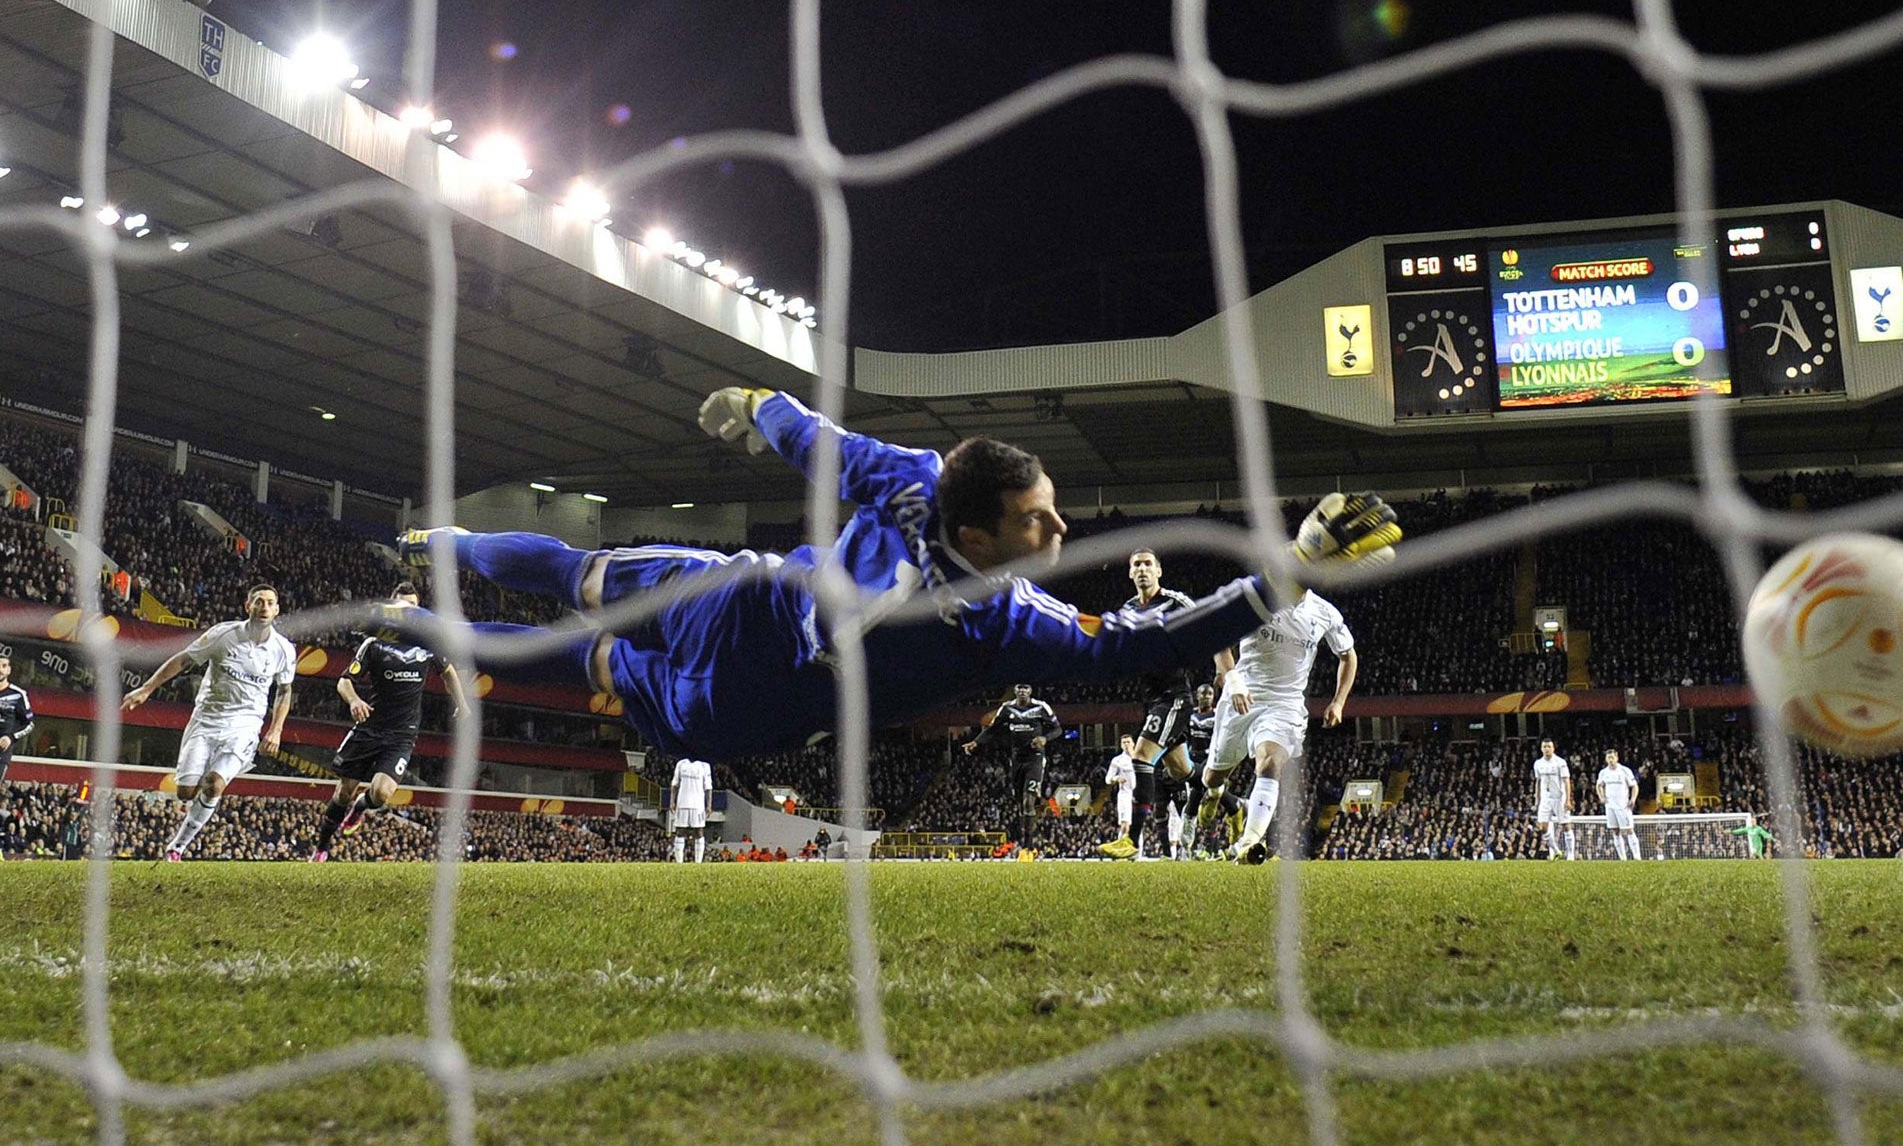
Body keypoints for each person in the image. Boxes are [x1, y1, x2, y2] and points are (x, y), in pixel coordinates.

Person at [404, 388, 1400, 762]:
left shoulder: (1002, 605)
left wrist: (1290, 572)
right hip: (745, 601)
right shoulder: (992, 601)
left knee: (578, 654)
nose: (1060, 526)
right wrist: (765, 406)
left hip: (743, 700)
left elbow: (1149, 639)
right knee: (578, 577)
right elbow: (824, 447)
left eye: (1051, 505)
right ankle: (434, 551)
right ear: (974, 529)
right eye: (1033, 518)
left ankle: (410, 622)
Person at [121, 585, 295, 861]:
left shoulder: (283, 650)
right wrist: (146, 689)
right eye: (258, 601)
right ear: (247, 605)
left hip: (246, 725)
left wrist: (276, 730)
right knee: (185, 793)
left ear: (276, 610)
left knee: (214, 784)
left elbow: (285, 691)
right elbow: (183, 660)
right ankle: (198, 798)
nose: (264, 607)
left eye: (270, 603)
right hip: (206, 719)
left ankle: (176, 848)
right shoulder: (222, 635)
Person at [1194, 587, 1358, 865]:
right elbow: (1218, 638)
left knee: (1271, 762)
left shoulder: (1324, 611)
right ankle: (1215, 793)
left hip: (1285, 705)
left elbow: (1348, 656)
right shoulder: (1253, 600)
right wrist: (1233, 682)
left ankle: (1249, 842)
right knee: (1212, 777)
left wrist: (1339, 702)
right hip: (1241, 697)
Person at [314, 584, 469, 862]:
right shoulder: (374, 643)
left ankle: (362, 807)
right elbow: (344, 681)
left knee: (382, 793)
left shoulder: (428, 643)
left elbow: (448, 673)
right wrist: (354, 701)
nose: (408, 612)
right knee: (343, 792)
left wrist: (462, 703)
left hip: (402, 734)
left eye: (413, 608)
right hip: (369, 728)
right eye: (402, 607)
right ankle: (322, 846)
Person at [1098, 549, 1202, 861]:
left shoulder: (1176, 601)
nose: (1142, 569)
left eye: (1147, 564)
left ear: (1159, 571)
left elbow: (1211, 628)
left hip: (1175, 697)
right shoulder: (1127, 610)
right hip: (1152, 698)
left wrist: (1228, 674)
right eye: (1136, 565)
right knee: (1182, 770)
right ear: (1130, 573)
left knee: (1141, 757)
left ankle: (1131, 840)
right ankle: (1236, 806)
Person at [961, 682, 1060, 851]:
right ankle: (1026, 841)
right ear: (1015, 692)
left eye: (1025, 689)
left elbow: (1057, 729)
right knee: (1022, 804)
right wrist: (976, 742)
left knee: (1029, 800)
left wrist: (1044, 739)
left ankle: (1028, 847)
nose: (1022, 692)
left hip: (1035, 758)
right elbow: (992, 729)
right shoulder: (1006, 709)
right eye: (1019, 689)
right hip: (1016, 759)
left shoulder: (1041, 707)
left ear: (1030, 691)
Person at [1175, 681, 1223, 857]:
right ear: (1197, 696)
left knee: (1197, 798)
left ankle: (1188, 844)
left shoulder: (1218, 715)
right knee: (1202, 803)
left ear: (1213, 696)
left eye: (1209, 694)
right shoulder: (1191, 715)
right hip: (1193, 759)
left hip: (1210, 760)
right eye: (1203, 694)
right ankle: (1212, 850)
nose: (1206, 697)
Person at [1595, 747, 1641, 861]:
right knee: (1615, 831)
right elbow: (1598, 785)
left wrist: (1633, 799)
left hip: (1623, 806)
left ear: (1617, 758)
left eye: (1612, 757)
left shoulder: (1624, 770)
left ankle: (1637, 857)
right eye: (1608, 758)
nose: (1610, 760)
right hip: (1610, 806)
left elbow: (1634, 786)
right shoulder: (1603, 772)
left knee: (1629, 830)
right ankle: (1622, 858)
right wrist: (1601, 797)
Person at [1532, 738, 1573, 860]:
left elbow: (1566, 781)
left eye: (1549, 747)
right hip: (1545, 799)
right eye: (1544, 747)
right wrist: (1537, 799)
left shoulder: (1560, 762)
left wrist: (1568, 799)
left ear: (1553, 748)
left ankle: (1570, 854)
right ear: (1541, 749)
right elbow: (1538, 782)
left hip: (1559, 798)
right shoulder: (1538, 763)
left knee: (1565, 825)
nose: (1546, 749)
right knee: (1543, 827)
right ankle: (1556, 850)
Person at [670, 755, 713, 863]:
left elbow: (708, 787)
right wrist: (672, 801)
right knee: (680, 831)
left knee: (699, 831)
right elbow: (674, 784)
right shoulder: (681, 763)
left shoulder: (705, 765)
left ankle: (698, 862)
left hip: (698, 804)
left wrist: (709, 805)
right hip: (682, 802)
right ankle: (679, 862)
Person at [0, 654, 33, 784]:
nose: (0, 669)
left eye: (3, 666)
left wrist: (11, 737)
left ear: (9, 670)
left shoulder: (18, 694)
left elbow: (30, 724)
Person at [1105, 735, 1138, 849]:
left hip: (1140, 795)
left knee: (1138, 825)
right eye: (1124, 742)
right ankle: (1120, 849)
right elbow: (1108, 778)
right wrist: (1117, 778)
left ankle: (1138, 853)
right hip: (1125, 795)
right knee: (1125, 825)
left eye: (1128, 742)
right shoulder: (1118, 760)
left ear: (1133, 743)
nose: (1126, 744)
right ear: (1121, 745)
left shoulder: (1140, 758)